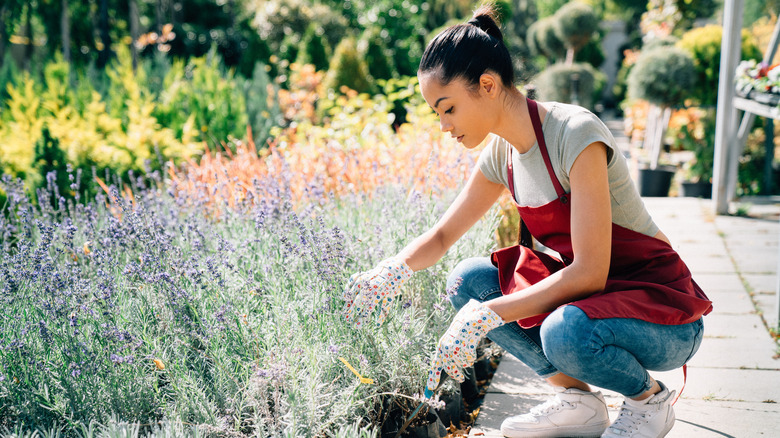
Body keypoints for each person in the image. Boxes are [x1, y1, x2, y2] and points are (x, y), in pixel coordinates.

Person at [342, 5, 712, 438]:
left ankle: (650, 401)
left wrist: (489, 316)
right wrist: (393, 269)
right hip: (597, 303)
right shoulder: (502, 155)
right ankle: (577, 401)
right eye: (436, 114)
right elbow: (444, 235)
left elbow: (591, 273)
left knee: (563, 331)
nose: (443, 125)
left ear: (487, 85)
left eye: (448, 109)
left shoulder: (574, 134)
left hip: (663, 311)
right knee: (470, 281)